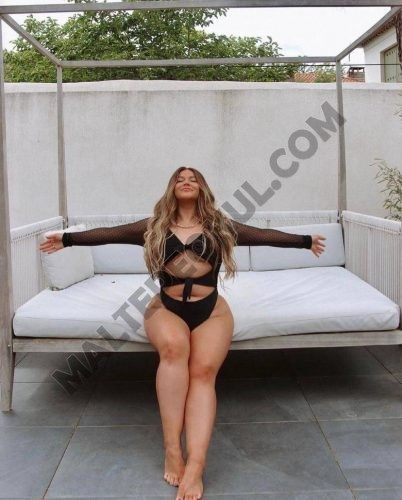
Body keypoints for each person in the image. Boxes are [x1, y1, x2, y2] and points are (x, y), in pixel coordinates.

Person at [39, 166, 326, 500]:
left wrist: (305, 242)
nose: (186, 182)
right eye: (180, 179)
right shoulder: (154, 226)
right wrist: (67, 239)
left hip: (211, 311)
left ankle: (196, 466)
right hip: (166, 308)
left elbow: (263, 236)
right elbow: (109, 234)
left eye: (193, 179)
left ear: (202, 188)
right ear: (172, 189)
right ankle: (172, 448)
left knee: (203, 372)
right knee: (175, 349)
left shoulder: (220, 226)